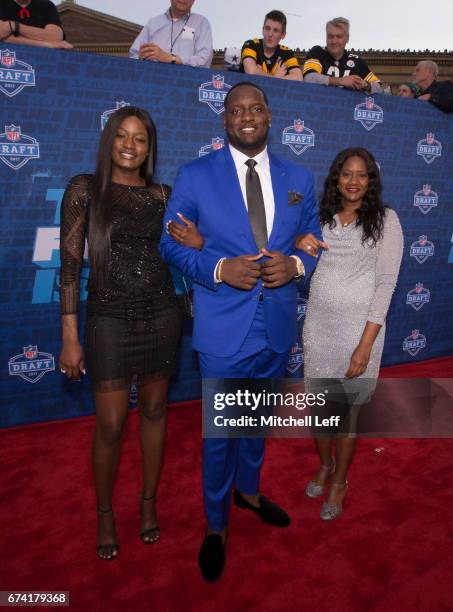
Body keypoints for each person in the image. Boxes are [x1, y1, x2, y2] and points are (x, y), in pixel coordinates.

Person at [160, 81, 322, 581]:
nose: (246, 116)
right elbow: (170, 245)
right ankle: (216, 525)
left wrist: (296, 265)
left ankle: (248, 492)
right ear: (224, 119)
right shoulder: (195, 176)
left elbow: (313, 238)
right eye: (236, 110)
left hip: (275, 325)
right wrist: (217, 269)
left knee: (255, 422)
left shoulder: (299, 176)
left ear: (269, 116)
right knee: (220, 434)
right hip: (223, 328)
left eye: (255, 108)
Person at [59, 107, 180, 560]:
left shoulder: (165, 195)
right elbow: (70, 270)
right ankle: (105, 512)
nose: (130, 145)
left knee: (153, 410)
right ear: (109, 139)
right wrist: (70, 336)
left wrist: (198, 245)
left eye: (141, 139)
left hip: (161, 314)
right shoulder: (84, 189)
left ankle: (148, 503)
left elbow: (186, 250)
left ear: (150, 148)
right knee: (110, 424)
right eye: (122, 136)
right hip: (108, 317)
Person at [299, 147, 403, 521]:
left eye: (362, 175)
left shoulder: (386, 220)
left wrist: (364, 345)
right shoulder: (320, 217)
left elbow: (386, 285)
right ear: (336, 178)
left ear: (371, 181)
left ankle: (340, 481)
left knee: (346, 417)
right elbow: (300, 263)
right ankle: (325, 465)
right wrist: (298, 245)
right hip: (318, 328)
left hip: (359, 334)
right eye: (347, 173)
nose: (354, 181)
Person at [303, 17, 382, 93]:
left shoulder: (357, 62)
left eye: (339, 36)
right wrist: (341, 81)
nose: (334, 41)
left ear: (347, 38)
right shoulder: (317, 52)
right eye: (330, 36)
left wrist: (364, 85)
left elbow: (379, 88)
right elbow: (309, 78)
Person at [129, 0, 213, 68]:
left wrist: (171, 58)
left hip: (184, 85)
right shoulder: (153, 23)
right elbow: (134, 54)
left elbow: (204, 60)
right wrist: (140, 58)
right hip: (151, 81)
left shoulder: (201, 23)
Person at [241, 10, 302, 81]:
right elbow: (251, 71)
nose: (270, 34)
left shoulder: (287, 53)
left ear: (283, 35)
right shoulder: (251, 45)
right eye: (267, 28)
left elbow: (298, 77)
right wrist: (276, 78)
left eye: (275, 30)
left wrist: (260, 73)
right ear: (262, 30)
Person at [0, 0, 72, 49]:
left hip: (40, 62)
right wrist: (47, 45)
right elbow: (3, 38)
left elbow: (55, 37)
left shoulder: (46, 5)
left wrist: (15, 26)